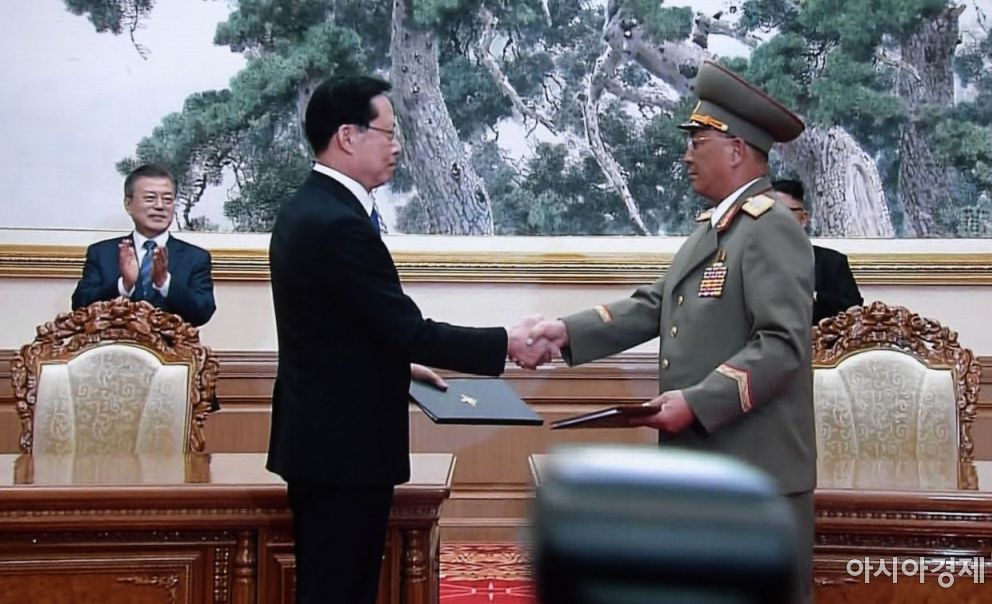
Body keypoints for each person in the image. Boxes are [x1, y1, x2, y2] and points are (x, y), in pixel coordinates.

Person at [529, 61, 817, 601]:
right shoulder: (716, 228)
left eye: (697, 141)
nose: (686, 155)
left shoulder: (771, 228)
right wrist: (562, 333)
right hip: (708, 464)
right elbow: (654, 305)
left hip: (755, 473)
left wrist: (697, 403)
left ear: (736, 149)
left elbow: (782, 345)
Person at [266, 74, 550, 604]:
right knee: (338, 590)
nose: (397, 146)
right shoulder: (337, 223)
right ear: (347, 136)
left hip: (323, 441)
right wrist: (507, 342)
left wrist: (395, 363)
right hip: (343, 448)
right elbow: (406, 329)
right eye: (388, 132)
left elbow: (343, 327)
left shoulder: (308, 207)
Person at [71, 164, 216, 327]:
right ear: (128, 204)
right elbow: (80, 306)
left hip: (171, 343)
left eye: (167, 199)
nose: (160, 206)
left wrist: (165, 283)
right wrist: (124, 285)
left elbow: (203, 312)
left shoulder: (195, 257)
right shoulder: (102, 253)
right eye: (150, 198)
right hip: (115, 341)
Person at [772, 178, 864, 324]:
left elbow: (854, 311)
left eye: (783, 211)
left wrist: (812, 296)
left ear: (803, 219)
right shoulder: (750, 261)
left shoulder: (833, 263)